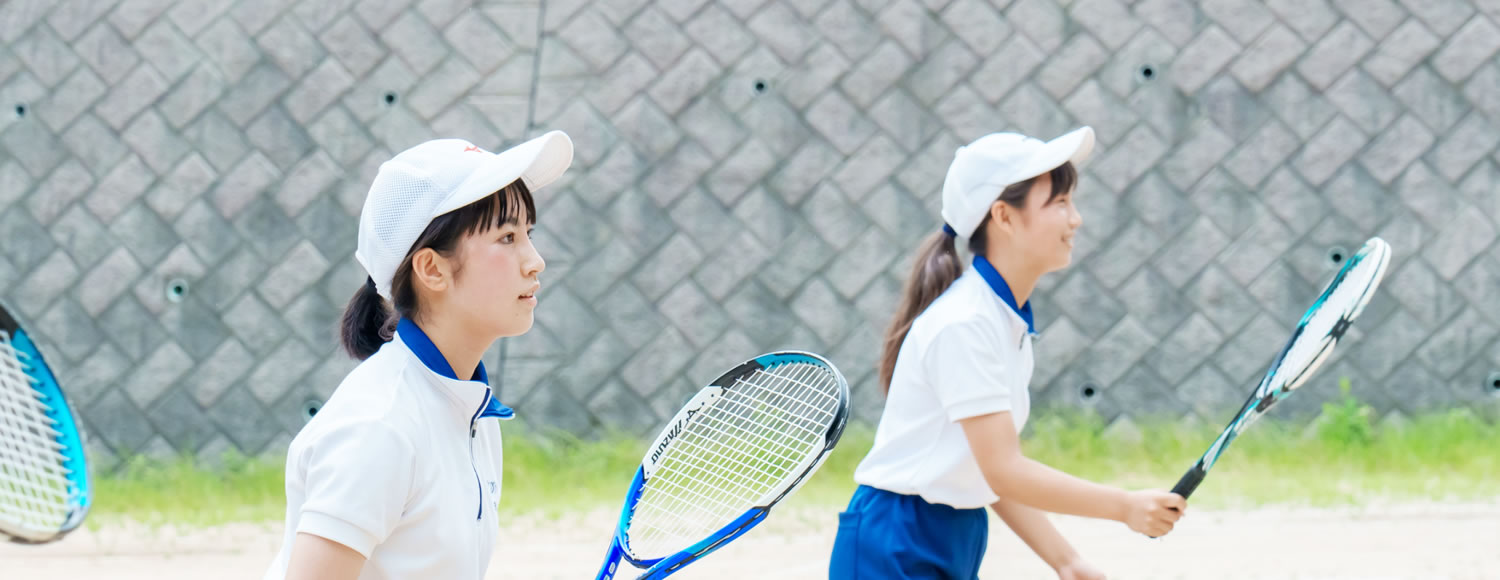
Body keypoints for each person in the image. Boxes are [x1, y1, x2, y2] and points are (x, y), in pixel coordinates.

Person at [828, 127, 1185, 579]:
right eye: (1058, 203)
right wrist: (1124, 506)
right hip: (896, 543)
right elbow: (1005, 472)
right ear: (1005, 217)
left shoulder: (1003, 320)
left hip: (953, 534)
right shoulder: (965, 324)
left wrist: (1067, 562)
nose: (1075, 219)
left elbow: (987, 471)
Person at [263, 131, 574, 580]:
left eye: (528, 232)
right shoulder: (379, 427)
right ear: (432, 269)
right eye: (507, 237)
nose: (535, 261)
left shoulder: (468, 408)